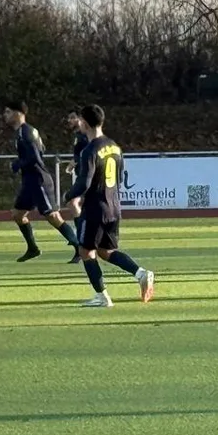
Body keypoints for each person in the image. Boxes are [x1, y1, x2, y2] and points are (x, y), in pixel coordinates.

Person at [67, 104, 154, 307]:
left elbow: (84, 183)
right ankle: (141, 273)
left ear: (85, 122)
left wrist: (69, 195)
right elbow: (119, 177)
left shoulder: (90, 149)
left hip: (96, 208)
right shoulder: (114, 146)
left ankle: (102, 297)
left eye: (79, 119)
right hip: (114, 207)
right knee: (106, 251)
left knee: (86, 251)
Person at [5, 101, 79, 263]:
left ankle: (79, 247)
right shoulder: (25, 132)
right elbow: (41, 149)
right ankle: (33, 248)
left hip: (39, 180)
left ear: (18, 114)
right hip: (29, 181)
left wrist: (18, 164)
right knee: (18, 214)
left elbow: (35, 157)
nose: (5, 115)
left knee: (53, 216)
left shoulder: (25, 132)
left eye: (8, 112)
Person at [59, 109, 91, 261]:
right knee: (74, 204)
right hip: (82, 176)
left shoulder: (86, 135)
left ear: (80, 118)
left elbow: (87, 153)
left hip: (89, 176)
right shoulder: (79, 135)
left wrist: (73, 163)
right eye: (68, 118)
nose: (69, 121)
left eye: (72, 117)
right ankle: (82, 243)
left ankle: (83, 242)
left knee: (73, 203)